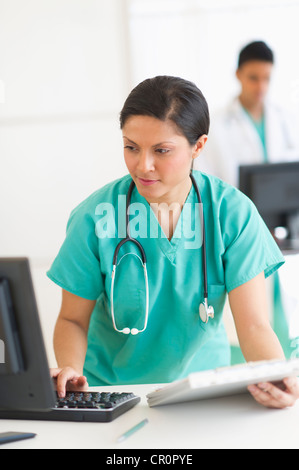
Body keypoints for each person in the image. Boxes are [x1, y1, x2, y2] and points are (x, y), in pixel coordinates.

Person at [48, 76, 299, 409]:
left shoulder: (232, 213)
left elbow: (254, 324)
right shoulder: (96, 216)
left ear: (198, 146)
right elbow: (72, 320)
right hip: (111, 393)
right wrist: (71, 370)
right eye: (131, 147)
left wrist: (275, 378)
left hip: (201, 391)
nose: (143, 165)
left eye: (162, 150)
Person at [195, 41, 299, 187]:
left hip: (280, 208)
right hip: (234, 207)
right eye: (253, 78)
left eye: (266, 78)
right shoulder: (216, 125)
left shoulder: (286, 120)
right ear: (238, 74)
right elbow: (206, 179)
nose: (261, 87)